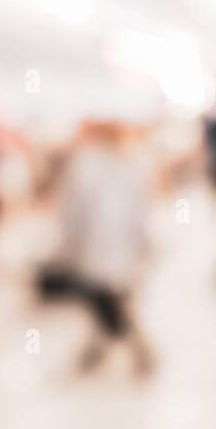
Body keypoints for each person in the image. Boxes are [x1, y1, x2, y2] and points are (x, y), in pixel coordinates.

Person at [53, 122, 155, 374]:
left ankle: (127, 350)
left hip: (104, 250)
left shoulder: (90, 165)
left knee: (107, 300)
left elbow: (73, 211)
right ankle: (106, 350)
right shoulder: (124, 165)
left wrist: (69, 244)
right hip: (107, 250)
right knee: (107, 299)